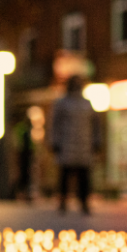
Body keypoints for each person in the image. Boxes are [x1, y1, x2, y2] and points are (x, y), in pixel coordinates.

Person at [51, 76, 100, 214]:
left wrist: (96, 141)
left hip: (84, 146)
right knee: (65, 175)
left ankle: (84, 202)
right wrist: (55, 142)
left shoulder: (87, 104)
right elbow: (55, 124)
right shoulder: (62, 103)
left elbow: (96, 124)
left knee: (84, 176)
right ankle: (63, 202)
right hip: (67, 144)